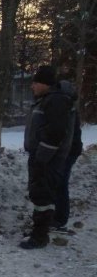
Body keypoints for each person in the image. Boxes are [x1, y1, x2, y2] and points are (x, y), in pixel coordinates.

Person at [20, 65, 76, 249]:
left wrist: (42, 156)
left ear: (45, 84)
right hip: (42, 157)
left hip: (47, 159)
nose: (32, 86)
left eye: (35, 82)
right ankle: (40, 231)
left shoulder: (55, 101)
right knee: (40, 194)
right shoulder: (46, 100)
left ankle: (40, 237)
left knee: (42, 195)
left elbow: (56, 132)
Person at [52, 79, 83, 230]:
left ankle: (60, 218)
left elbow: (68, 134)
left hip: (69, 151)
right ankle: (57, 215)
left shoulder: (67, 107)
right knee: (58, 183)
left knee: (61, 183)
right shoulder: (66, 106)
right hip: (68, 150)